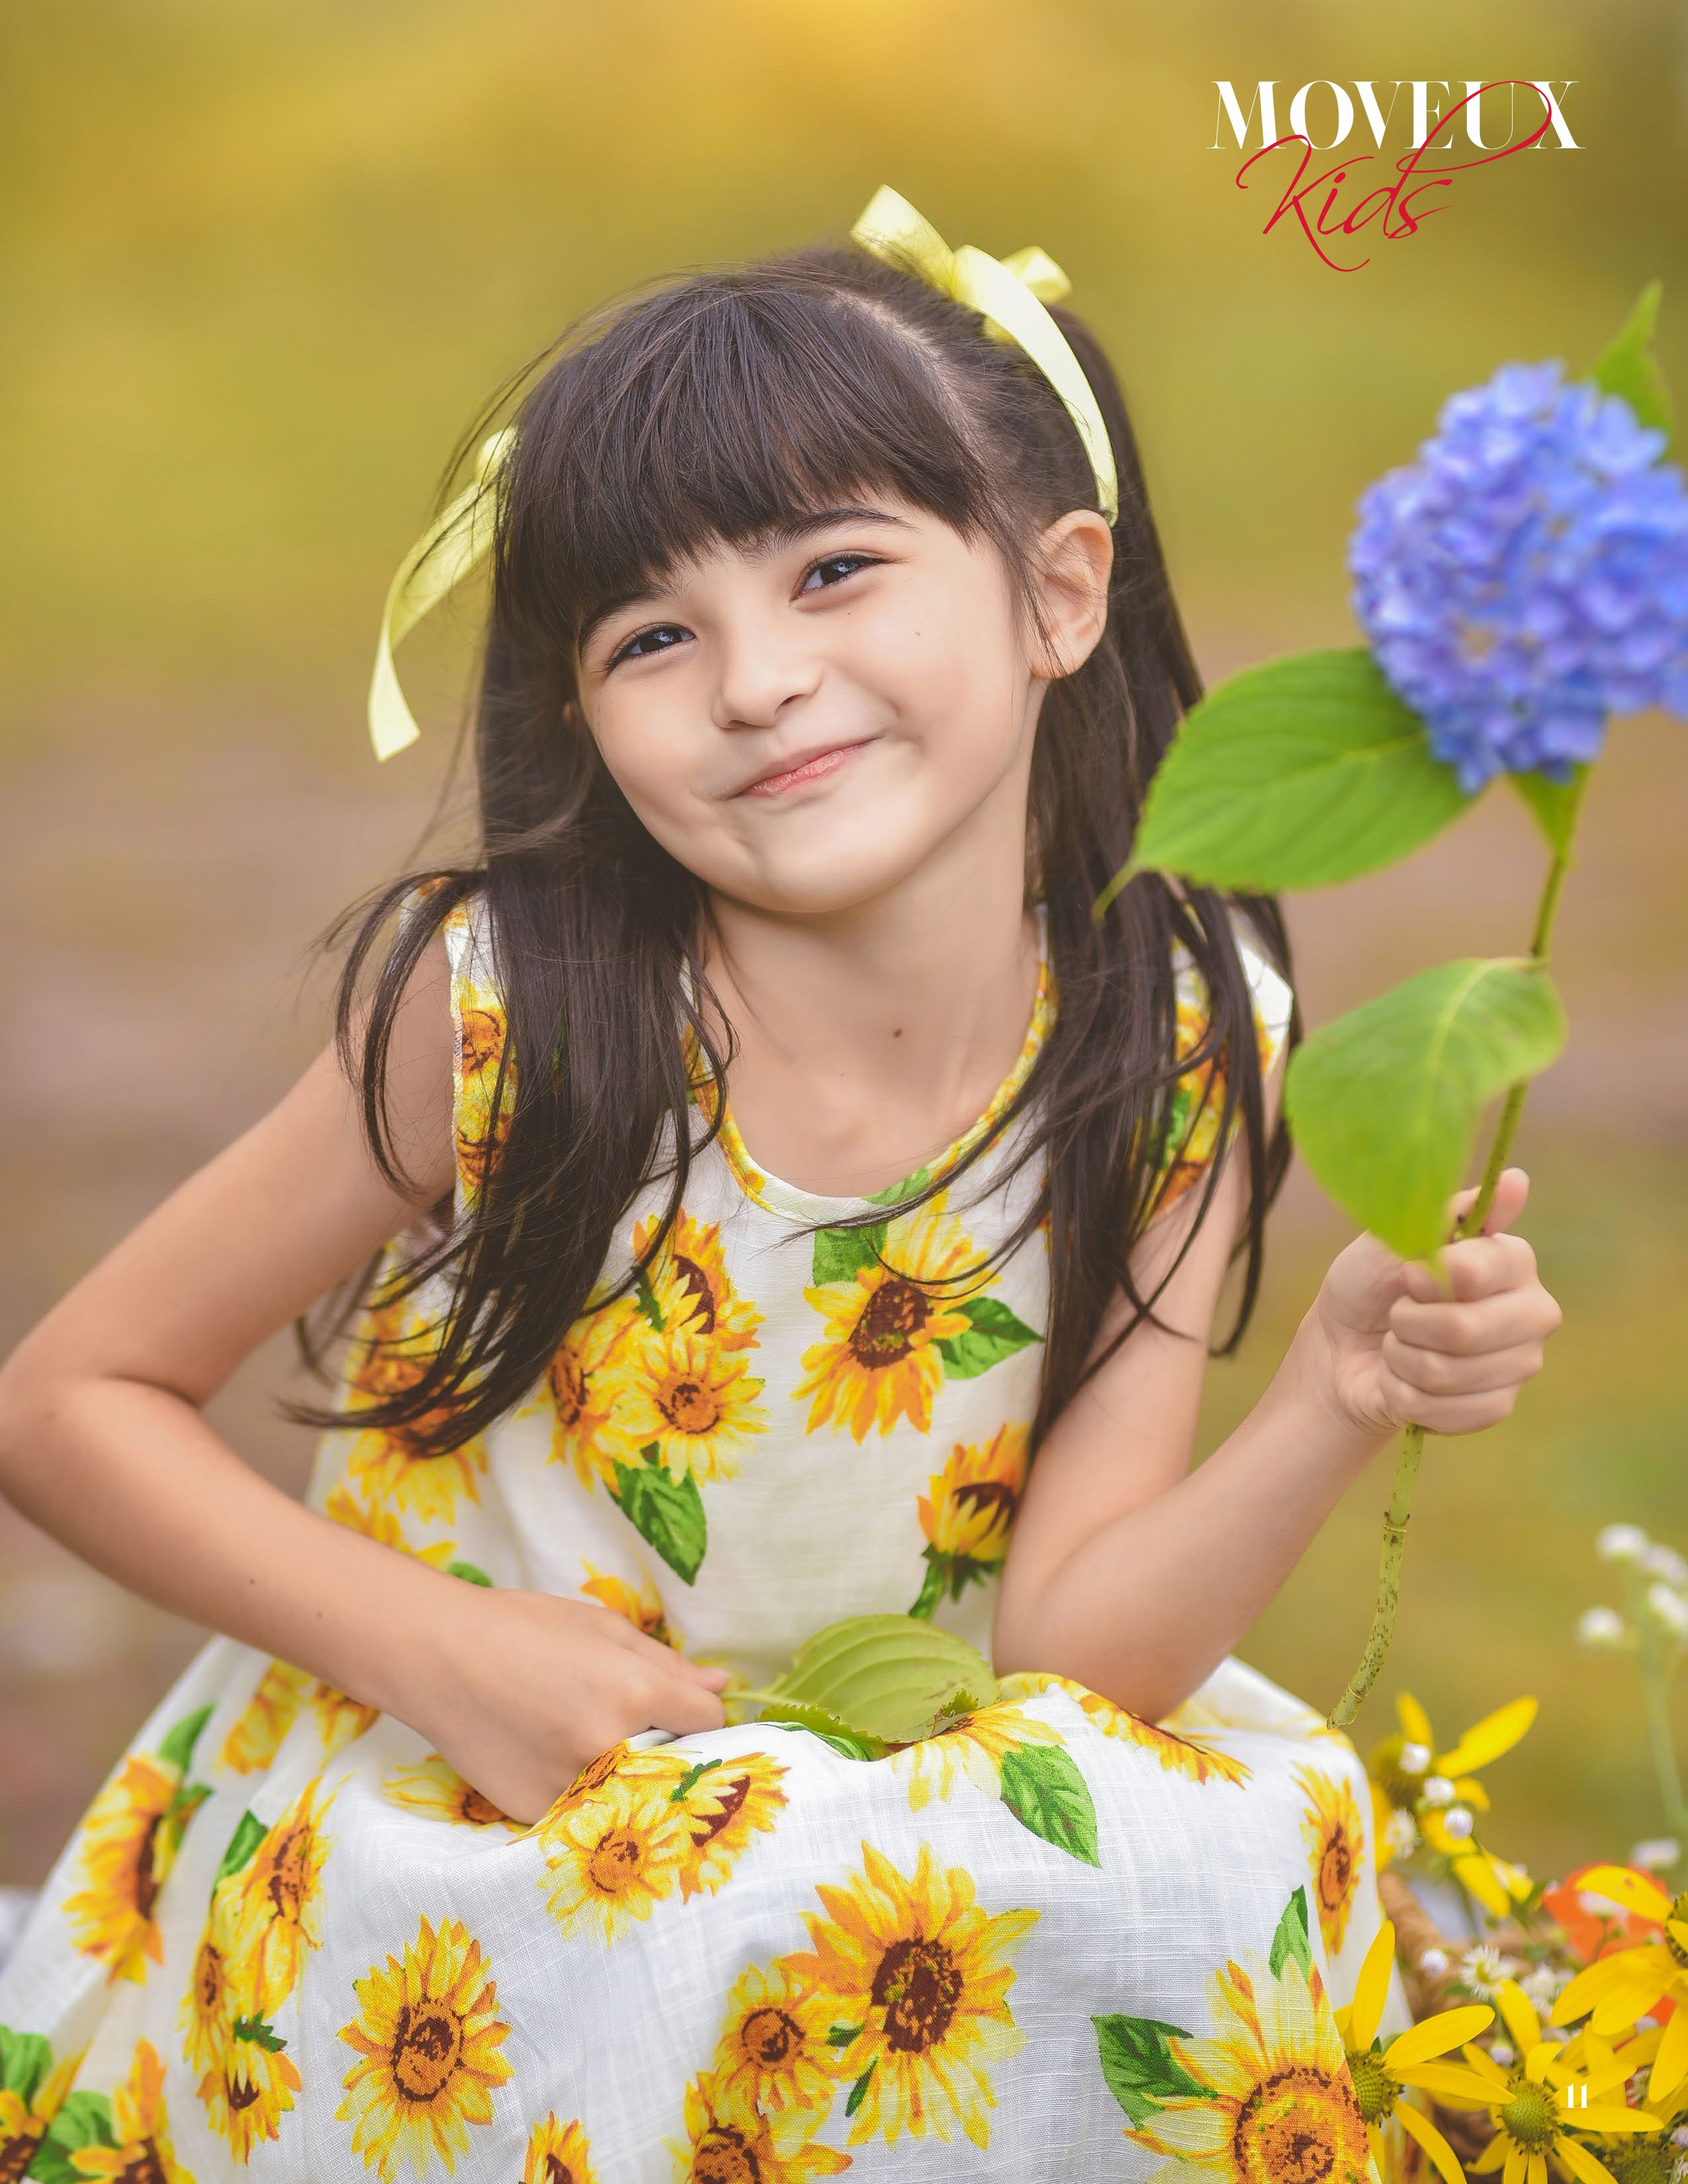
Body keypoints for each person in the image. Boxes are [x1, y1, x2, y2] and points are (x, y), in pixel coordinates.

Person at [0, 189, 1559, 2181]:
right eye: (658, 633)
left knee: (1230, 1841)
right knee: (614, 1949)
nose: (756, 680)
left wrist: (1340, 1392)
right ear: (585, 709)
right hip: (483, 1812)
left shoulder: (1176, 1028)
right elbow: (68, 1400)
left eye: (838, 569)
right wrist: (438, 1652)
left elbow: (1077, 1647)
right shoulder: (510, 1007)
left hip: (891, 1793)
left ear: (1059, 595)